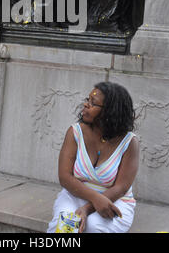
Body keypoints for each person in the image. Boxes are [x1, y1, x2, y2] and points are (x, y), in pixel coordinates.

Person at [47, 82, 139, 233]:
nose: (85, 104)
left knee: (94, 226)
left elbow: (121, 187)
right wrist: (95, 199)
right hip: (75, 195)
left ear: (110, 111)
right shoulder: (75, 132)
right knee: (67, 228)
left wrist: (88, 208)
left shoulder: (129, 142)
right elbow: (64, 177)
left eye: (93, 103)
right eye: (87, 99)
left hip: (113, 199)